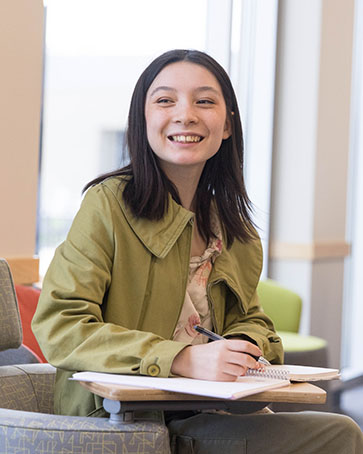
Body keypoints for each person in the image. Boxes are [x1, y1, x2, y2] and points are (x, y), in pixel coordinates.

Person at [32, 49, 363, 453]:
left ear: (226, 125)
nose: (185, 114)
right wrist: (181, 358)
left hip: (213, 410)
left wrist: (244, 345)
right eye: (165, 100)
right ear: (144, 119)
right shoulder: (107, 204)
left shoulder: (234, 228)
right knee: (339, 435)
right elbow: (60, 327)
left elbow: (254, 319)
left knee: (335, 428)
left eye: (204, 101)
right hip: (122, 420)